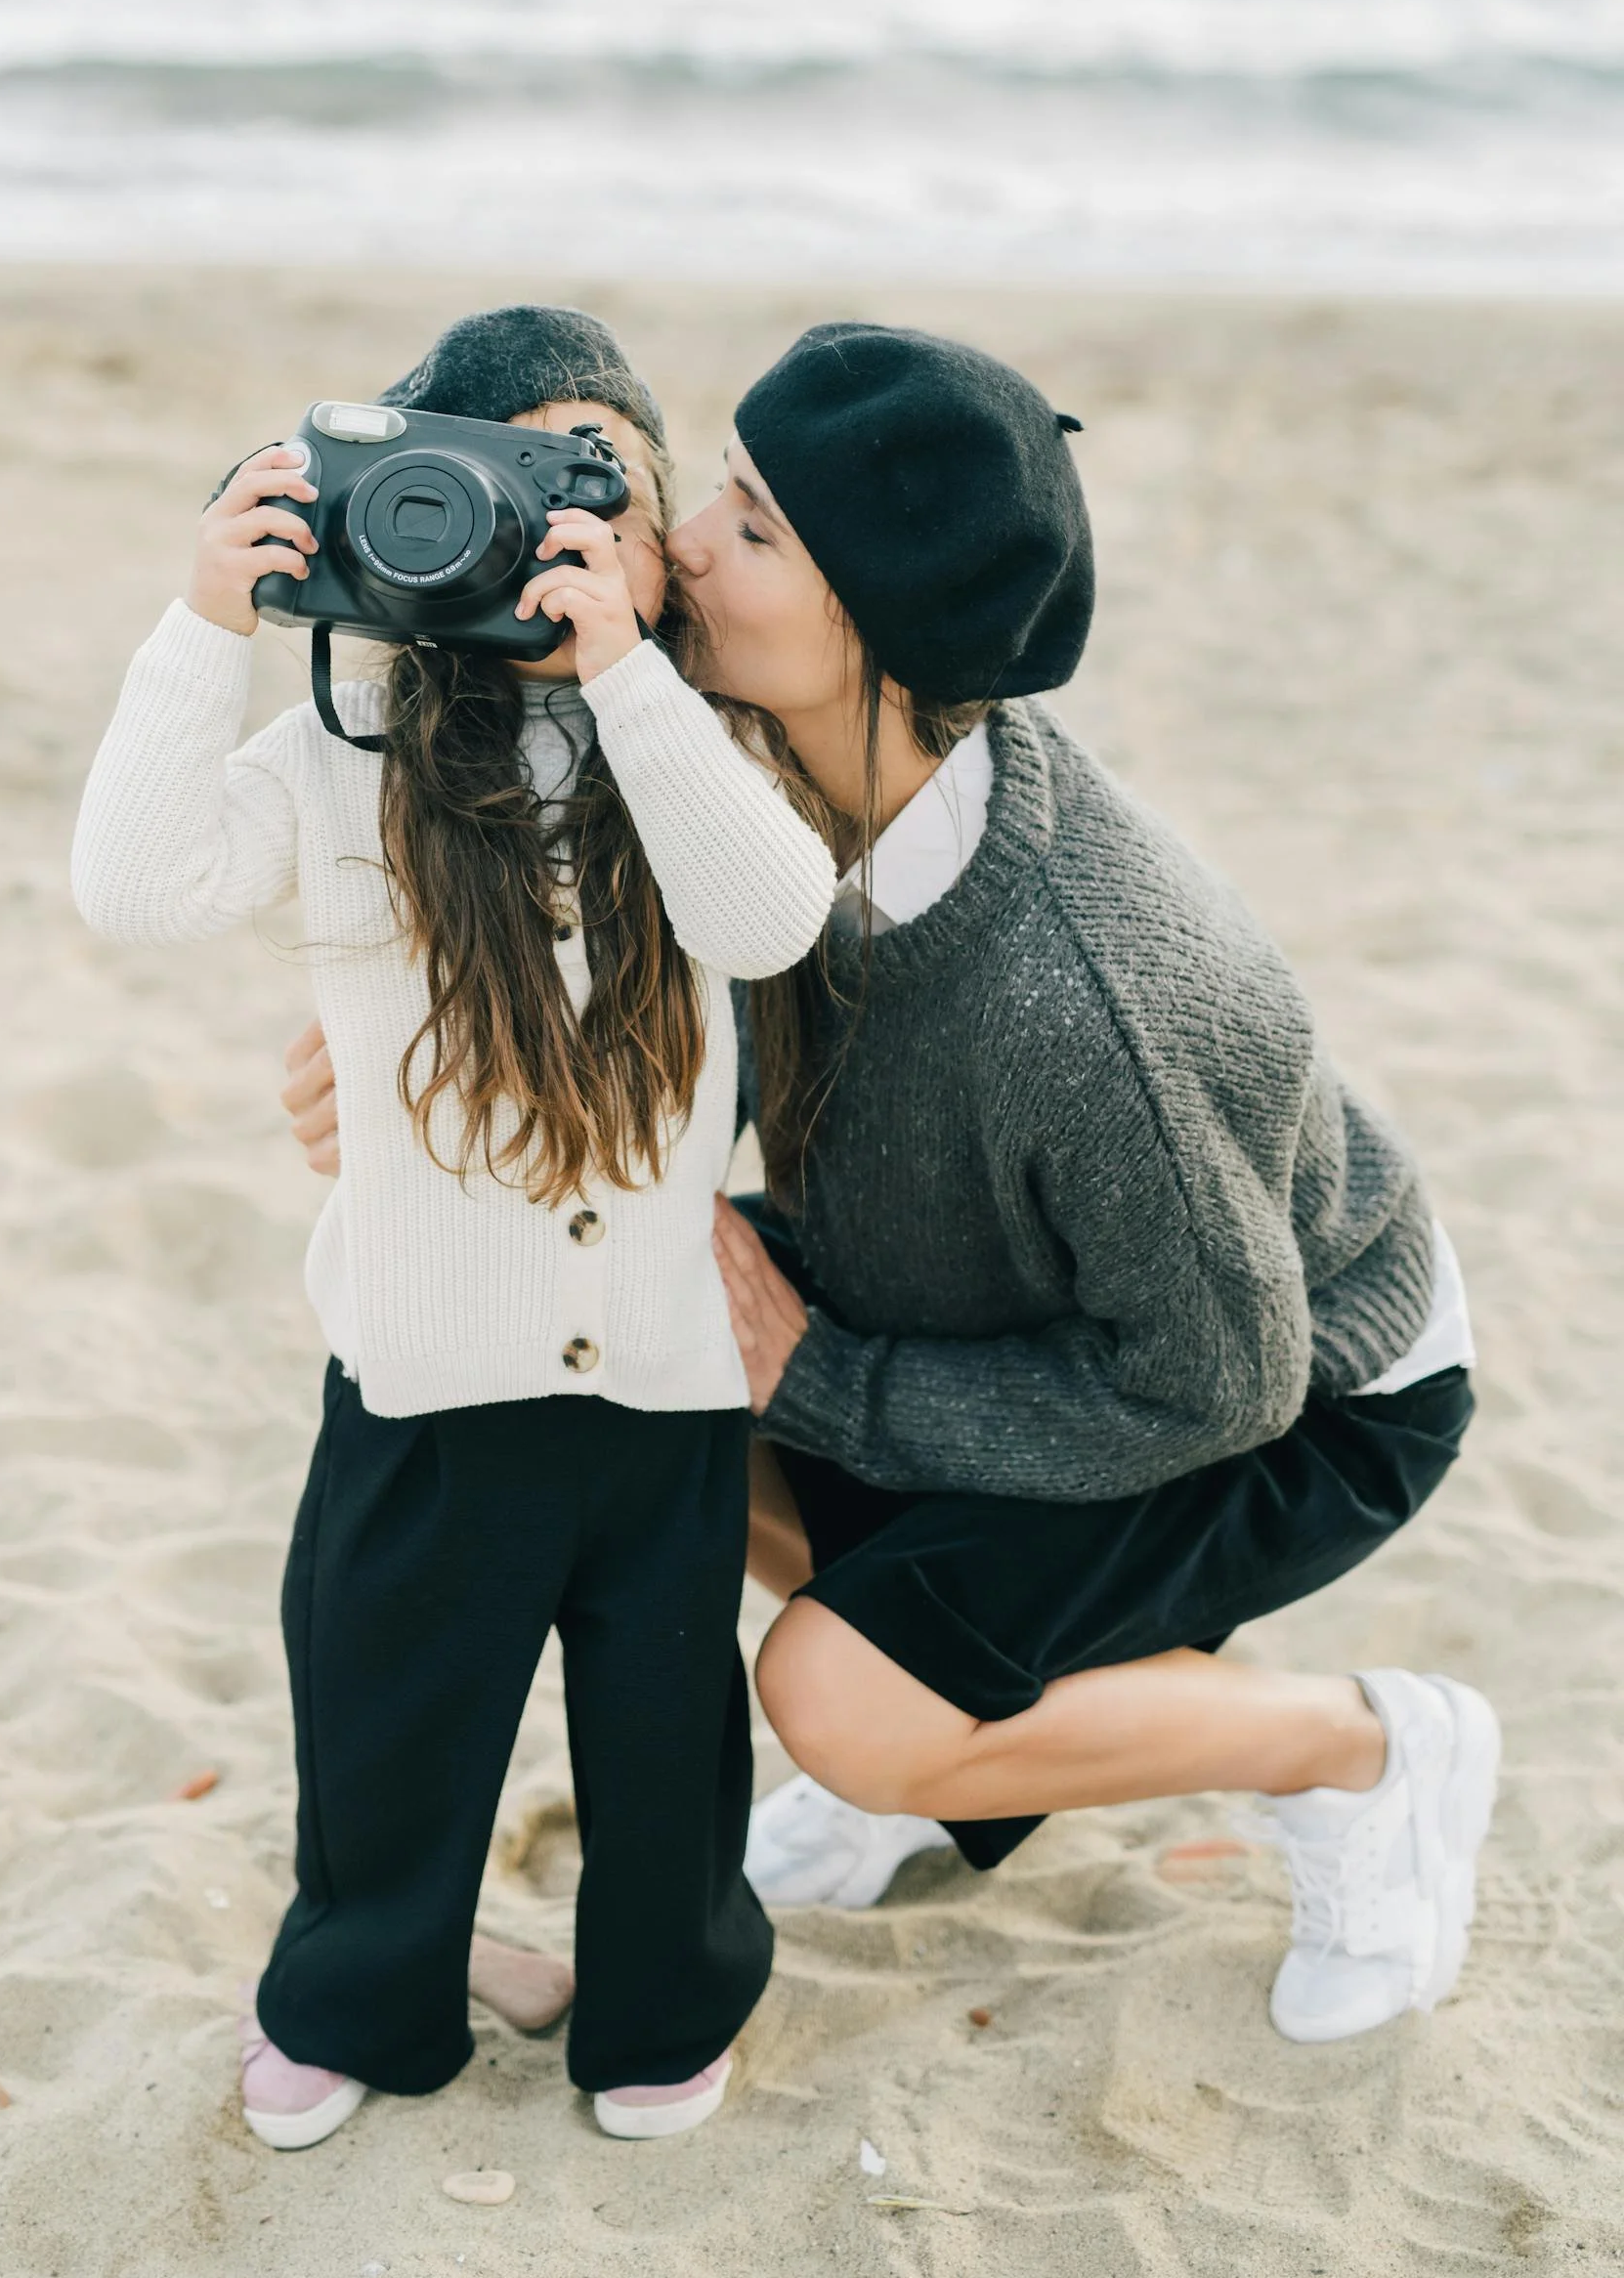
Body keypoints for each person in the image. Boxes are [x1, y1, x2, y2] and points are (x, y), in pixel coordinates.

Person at [286, 319, 1497, 2048]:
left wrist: (824, 1379)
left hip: (1297, 1385)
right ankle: (949, 1705)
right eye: (717, 482)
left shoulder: (1096, 999)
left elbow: (1214, 1381)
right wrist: (423, 1072)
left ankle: (1361, 1748)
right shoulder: (731, 756)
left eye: (756, 529)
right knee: (626, 1361)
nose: (683, 537)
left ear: (881, 631)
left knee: (837, 1694)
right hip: (966, 1281)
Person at [71, 307, 837, 2148]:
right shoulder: (354, 749)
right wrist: (205, 629)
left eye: (598, 493)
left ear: (653, 536)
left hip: (656, 1390)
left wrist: (629, 680)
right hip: (422, 1373)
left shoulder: (698, 743)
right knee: (388, 1737)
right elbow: (137, 884)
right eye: (488, 486)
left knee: (666, 1751)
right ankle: (361, 1998)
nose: (538, 544)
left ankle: (660, 2015)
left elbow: (768, 920)